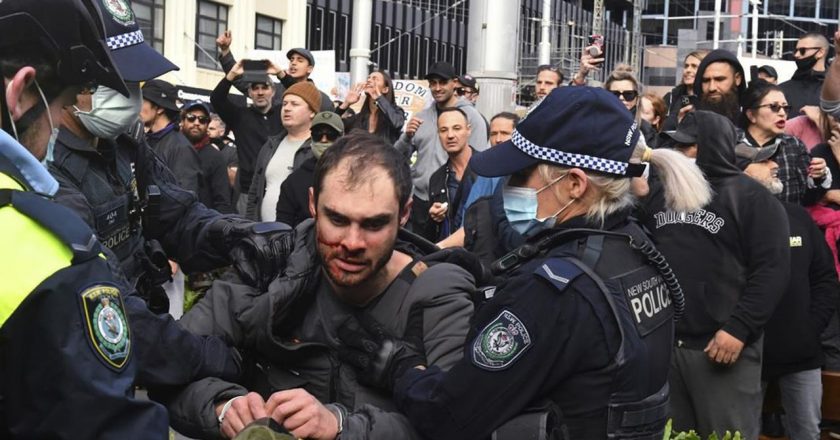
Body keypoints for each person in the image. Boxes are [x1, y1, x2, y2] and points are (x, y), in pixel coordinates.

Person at [337, 86, 711, 440]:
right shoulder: (633, 245)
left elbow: (449, 416)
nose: (509, 186)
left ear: (574, 184)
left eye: (521, 174)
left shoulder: (555, 291)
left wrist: (401, 370)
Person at [160, 133, 477, 440]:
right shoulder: (271, 267)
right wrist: (225, 407)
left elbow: (458, 423)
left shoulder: (437, 295)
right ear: (313, 204)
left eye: (374, 224)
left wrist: (340, 427)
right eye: (337, 220)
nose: (352, 243)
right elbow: (170, 363)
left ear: (404, 214)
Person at [0, 0, 188, 436]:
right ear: (23, 92)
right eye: (59, 108)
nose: (54, 131)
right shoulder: (48, 252)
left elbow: (178, 209)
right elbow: (102, 422)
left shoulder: (127, 148)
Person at [639, 110, 790, 439]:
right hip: (667, 346)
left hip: (722, 347)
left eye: (687, 147)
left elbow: (772, 271)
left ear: (712, 147)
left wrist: (739, 328)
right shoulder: (661, 195)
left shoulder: (752, 199)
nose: (679, 155)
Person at [733, 142, 840, 440]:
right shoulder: (727, 220)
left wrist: (809, 328)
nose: (775, 165)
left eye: (774, 159)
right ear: (740, 172)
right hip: (744, 356)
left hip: (801, 355)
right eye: (765, 162)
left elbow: (825, 279)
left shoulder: (797, 216)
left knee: (806, 432)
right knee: (743, 434)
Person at [394, 61, 489, 241]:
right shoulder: (421, 117)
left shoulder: (471, 117)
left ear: (455, 83)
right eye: (433, 83)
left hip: (454, 201)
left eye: (442, 82)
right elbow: (397, 158)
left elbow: (477, 163)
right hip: (420, 199)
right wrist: (406, 136)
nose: (437, 88)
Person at [738, 81, 829, 205]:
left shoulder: (794, 146)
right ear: (751, 115)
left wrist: (818, 176)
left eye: (785, 108)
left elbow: (808, 199)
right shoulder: (730, 142)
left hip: (786, 221)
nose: (782, 113)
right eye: (774, 107)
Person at [211, 61, 283, 215]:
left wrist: (280, 73)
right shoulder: (240, 116)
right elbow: (217, 99)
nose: (260, 92)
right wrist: (231, 75)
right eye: (255, 88)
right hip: (248, 190)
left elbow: (301, 95)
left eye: (265, 87)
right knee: (248, 235)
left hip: (278, 187)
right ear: (249, 93)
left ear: (273, 91)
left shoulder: (283, 114)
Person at [246, 81, 318, 221]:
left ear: (312, 112)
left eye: (294, 104)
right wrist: (249, 226)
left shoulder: (318, 148)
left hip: (298, 235)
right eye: (284, 104)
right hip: (262, 233)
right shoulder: (271, 145)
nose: (287, 108)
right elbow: (255, 190)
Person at [215, 30, 334, 112]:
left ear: (310, 69)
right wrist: (225, 51)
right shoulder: (271, 89)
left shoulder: (322, 99)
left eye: (300, 60)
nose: (293, 62)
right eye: (291, 59)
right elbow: (239, 77)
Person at [275, 111, 343, 227]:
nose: (324, 140)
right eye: (318, 134)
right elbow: (282, 229)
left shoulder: (355, 176)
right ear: (311, 137)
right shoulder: (293, 182)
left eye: (331, 134)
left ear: (342, 138)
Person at [140, 78, 203, 194]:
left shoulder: (181, 148)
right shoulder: (145, 140)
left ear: (159, 108)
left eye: (142, 101)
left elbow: (185, 197)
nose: (137, 106)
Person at [428, 107, 478, 241]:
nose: (450, 135)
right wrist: (434, 217)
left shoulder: (487, 167)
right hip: (452, 254)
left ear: (468, 130)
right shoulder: (437, 179)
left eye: (456, 128)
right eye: (444, 130)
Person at [181, 100, 235, 213]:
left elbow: (222, 201)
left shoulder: (215, 157)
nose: (196, 123)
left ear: (207, 124)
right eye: (191, 117)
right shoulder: (172, 149)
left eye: (202, 119)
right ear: (182, 121)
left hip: (201, 224)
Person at [336, 70, 405, 145]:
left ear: (385, 89)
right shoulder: (357, 119)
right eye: (368, 78)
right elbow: (330, 126)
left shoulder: (396, 112)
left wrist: (379, 98)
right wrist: (346, 103)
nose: (369, 80)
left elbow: (397, 123)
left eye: (375, 79)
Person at [780, 32, 830, 116]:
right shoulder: (782, 90)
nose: (797, 55)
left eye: (803, 51)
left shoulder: (834, 90)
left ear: (820, 52)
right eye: (796, 51)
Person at [692, 49, 746, 125]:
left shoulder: (751, 125)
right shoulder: (691, 124)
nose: (711, 88)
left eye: (719, 79)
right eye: (706, 80)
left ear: (737, 79)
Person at [662, 50, 708, 131]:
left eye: (694, 66)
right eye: (686, 66)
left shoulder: (710, 99)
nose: (688, 70)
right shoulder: (671, 98)